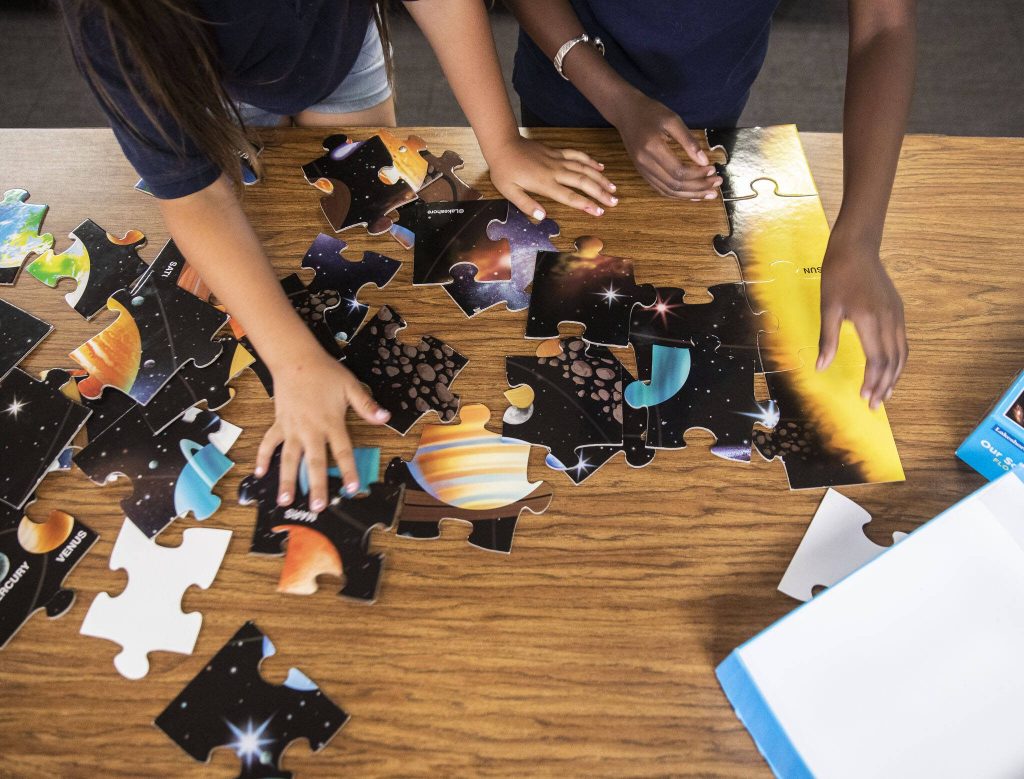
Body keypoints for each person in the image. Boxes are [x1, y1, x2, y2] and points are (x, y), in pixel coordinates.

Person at [58, 0, 619, 513]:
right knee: (264, 196)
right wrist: (295, 362)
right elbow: (196, 196)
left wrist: (501, 141)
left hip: (339, 51)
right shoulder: (107, 23)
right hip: (191, 80)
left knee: (356, 193)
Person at [507, 0, 913, 411]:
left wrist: (859, 238)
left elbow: (884, 23)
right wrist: (615, 99)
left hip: (707, 101)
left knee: (695, 293)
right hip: (566, 89)